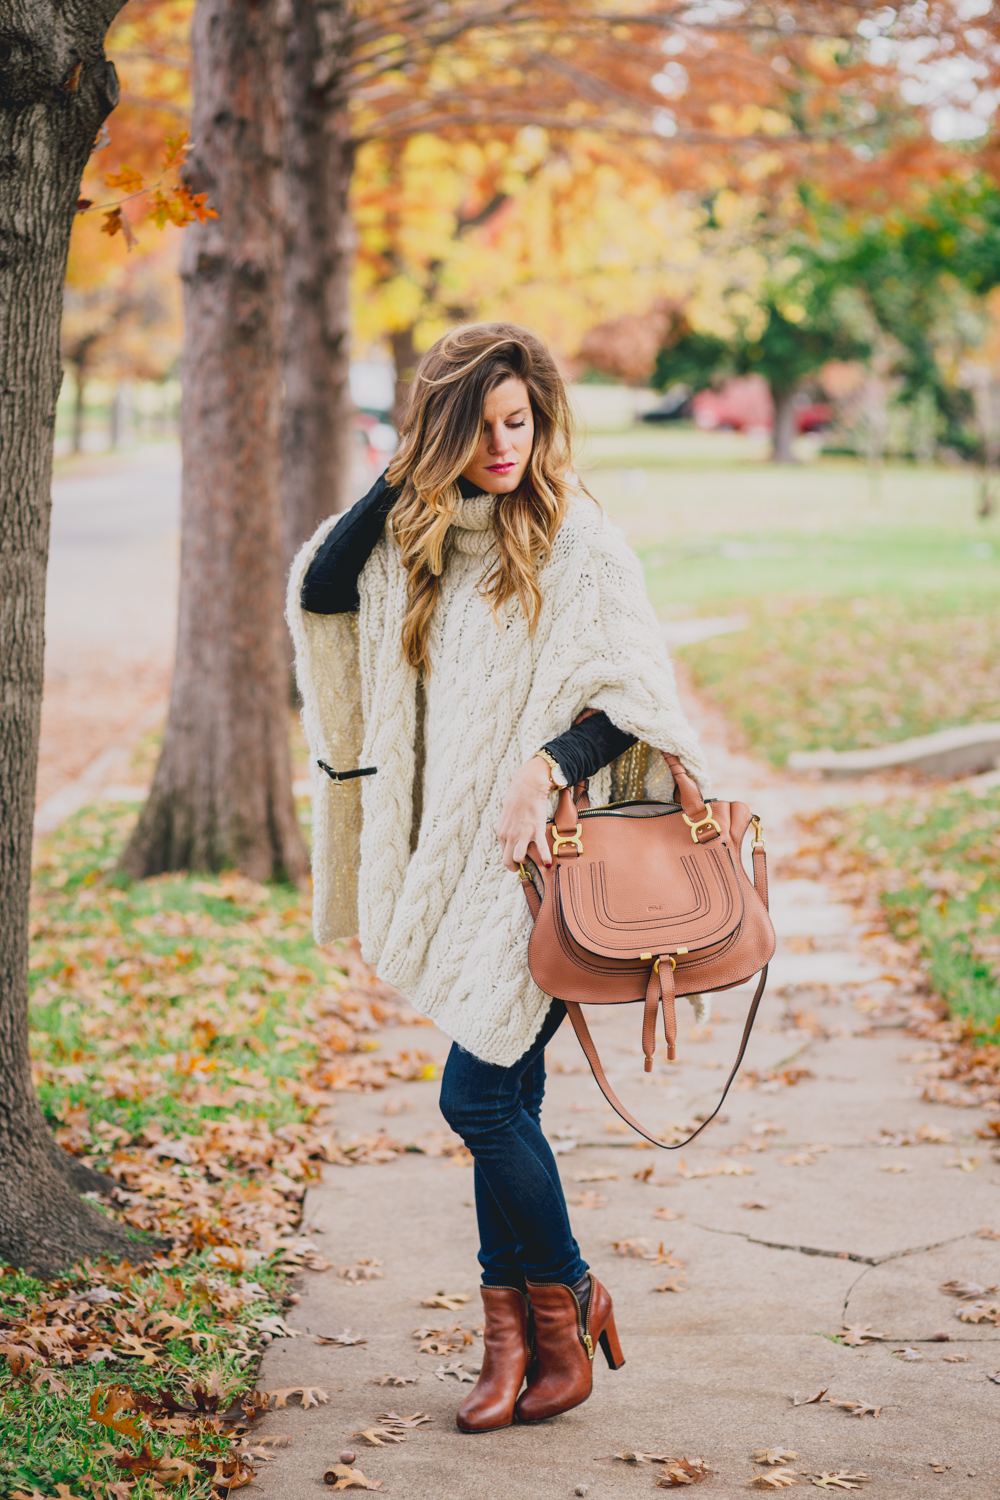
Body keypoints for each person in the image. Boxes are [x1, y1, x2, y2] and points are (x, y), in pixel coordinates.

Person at [288, 322, 710, 1433]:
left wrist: (540, 766)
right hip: (453, 856)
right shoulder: (427, 537)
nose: (502, 448)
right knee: (507, 1098)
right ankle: (514, 1346)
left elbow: (637, 696)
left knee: (473, 1096)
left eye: (516, 423)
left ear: (541, 420)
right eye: (477, 430)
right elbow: (327, 588)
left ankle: (569, 1294)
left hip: (536, 866)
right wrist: (403, 475)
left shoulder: (577, 540)